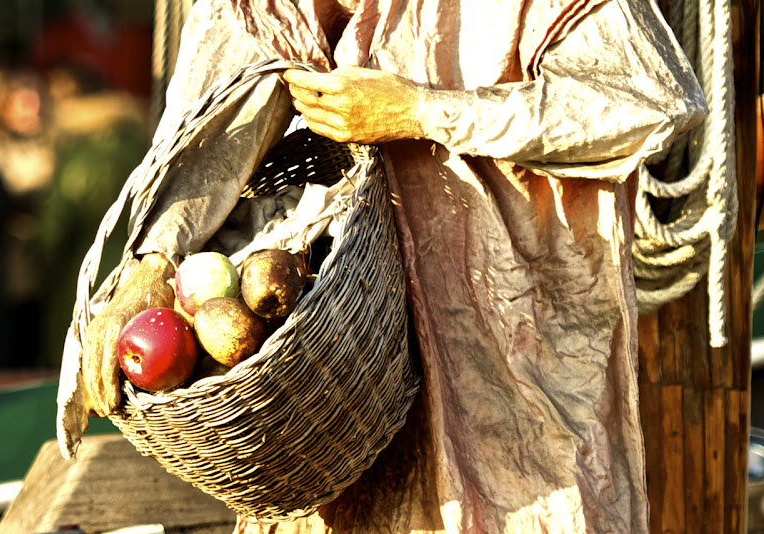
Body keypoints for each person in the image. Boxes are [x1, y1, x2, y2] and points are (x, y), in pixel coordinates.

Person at [59, 0, 707, 532]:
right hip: (337, 368)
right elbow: (219, 110)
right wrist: (152, 261)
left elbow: (649, 99)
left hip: (513, 362)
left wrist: (421, 111)